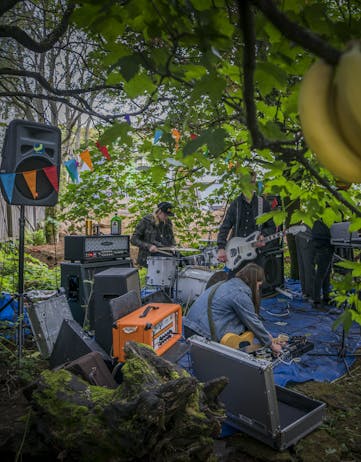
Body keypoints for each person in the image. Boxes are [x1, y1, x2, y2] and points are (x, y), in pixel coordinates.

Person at [183, 263, 282, 355]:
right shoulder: (240, 294)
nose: (257, 290)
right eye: (258, 286)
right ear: (254, 282)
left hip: (188, 327)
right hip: (200, 334)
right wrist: (271, 344)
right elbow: (252, 322)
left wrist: (266, 335)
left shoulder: (226, 284)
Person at [216, 171, 276, 271]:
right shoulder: (235, 204)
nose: (249, 185)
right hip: (236, 255)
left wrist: (263, 235)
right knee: (234, 284)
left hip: (255, 254)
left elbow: (272, 227)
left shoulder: (263, 204)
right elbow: (225, 227)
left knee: (255, 284)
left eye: (252, 182)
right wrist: (221, 248)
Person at [131, 201, 176, 267]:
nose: (166, 217)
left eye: (168, 215)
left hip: (165, 254)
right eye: (165, 215)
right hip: (149, 256)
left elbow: (171, 239)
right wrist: (149, 246)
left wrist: (173, 246)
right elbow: (133, 239)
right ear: (159, 212)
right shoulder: (146, 221)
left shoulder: (168, 222)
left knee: (182, 260)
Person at [311, 219, 334, 309]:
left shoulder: (317, 222)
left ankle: (325, 297)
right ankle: (316, 301)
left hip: (323, 249)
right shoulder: (323, 222)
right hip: (325, 249)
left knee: (325, 275)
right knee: (320, 275)